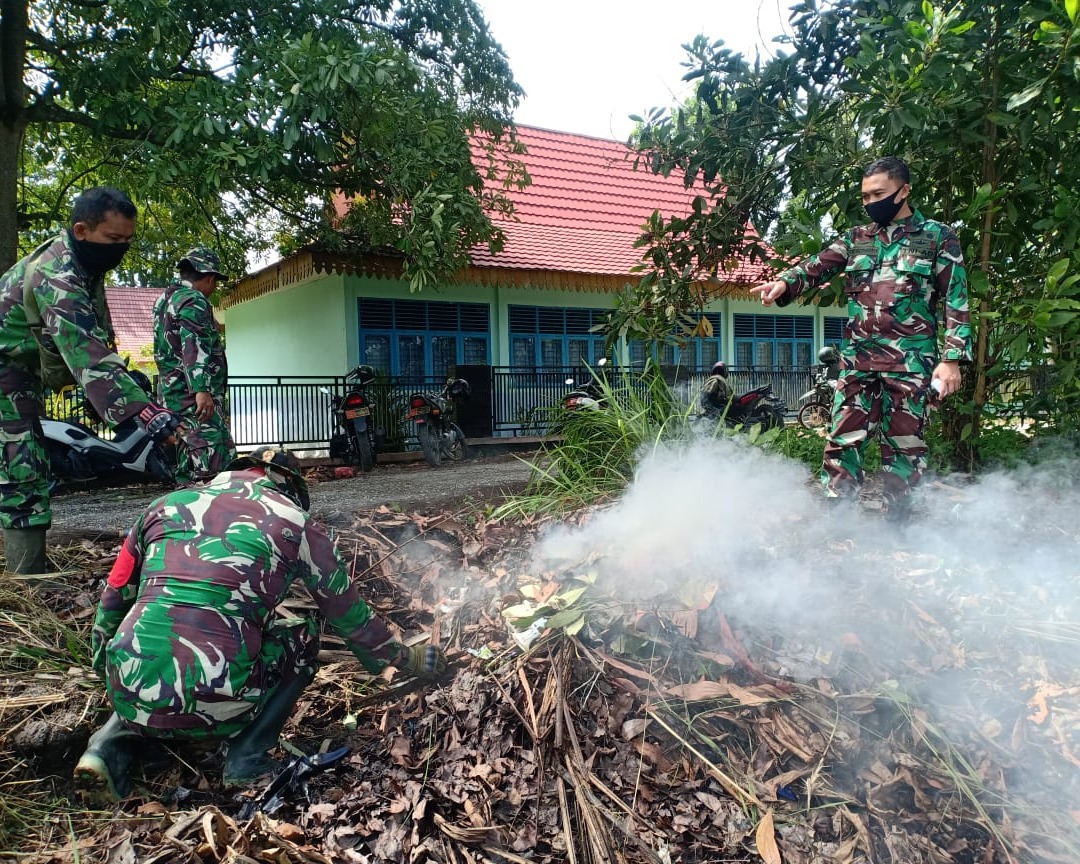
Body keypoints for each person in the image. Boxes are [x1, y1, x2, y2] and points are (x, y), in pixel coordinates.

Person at [73, 447, 447, 804]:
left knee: (146, 641)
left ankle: (107, 745)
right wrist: (405, 658)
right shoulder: (295, 521)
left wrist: (103, 668)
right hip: (218, 695)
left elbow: (114, 597)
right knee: (302, 635)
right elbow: (349, 616)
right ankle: (247, 757)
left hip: (125, 683)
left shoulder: (161, 508)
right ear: (289, 487)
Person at [751, 156, 971, 512]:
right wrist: (782, 283)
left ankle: (900, 526)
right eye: (865, 197)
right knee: (842, 441)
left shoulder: (937, 237)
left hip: (910, 363)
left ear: (904, 191)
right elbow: (816, 266)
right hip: (857, 362)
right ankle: (838, 521)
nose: (870, 203)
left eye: (878, 194)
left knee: (905, 446)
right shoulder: (856, 239)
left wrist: (952, 360)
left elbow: (957, 299)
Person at [0, 187, 181, 574]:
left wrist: (117, 391)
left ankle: (28, 573)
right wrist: (145, 413)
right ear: (81, 230)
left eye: (128, 240)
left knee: (27, 463)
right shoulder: (57, 275)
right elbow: (86, 350)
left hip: (19, 371)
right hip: (5, 372)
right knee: (21, 465)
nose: (122, 248)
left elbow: (99, 339)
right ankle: (27, 582)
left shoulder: (86, 266)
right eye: (114, 239)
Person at [153, 247, 236, 483]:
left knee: (185, 459)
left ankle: (184, 515)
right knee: (214, 461)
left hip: (172, 395)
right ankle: (216, 515)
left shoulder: (165, 299)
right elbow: (194, 345)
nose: (214, 288)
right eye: (215, 282)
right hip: (194, 400)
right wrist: (202, 390)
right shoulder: (194, 300)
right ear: (209, 278)